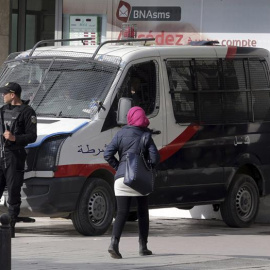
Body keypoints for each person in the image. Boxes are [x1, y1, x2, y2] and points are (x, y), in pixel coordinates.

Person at [104, 106, 160, 259]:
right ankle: (143, 247)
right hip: (140, 179)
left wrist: (119, 168)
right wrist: (147, 164)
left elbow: (107, 154)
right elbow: (155, 159)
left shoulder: (120, 133)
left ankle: (114, 244)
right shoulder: (146, 136)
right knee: (142, 213)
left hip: (121, 180)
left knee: (121, 213)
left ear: (130, 118)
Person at [0, 82, 37, 238]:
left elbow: (32, 136)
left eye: (5, 93)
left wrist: (15, 138)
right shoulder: (2, 110)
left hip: (15, 156)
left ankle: (10, 228)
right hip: (1, 155)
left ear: (13, 94)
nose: (3, 96)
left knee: (14, 193)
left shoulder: (27, 112)